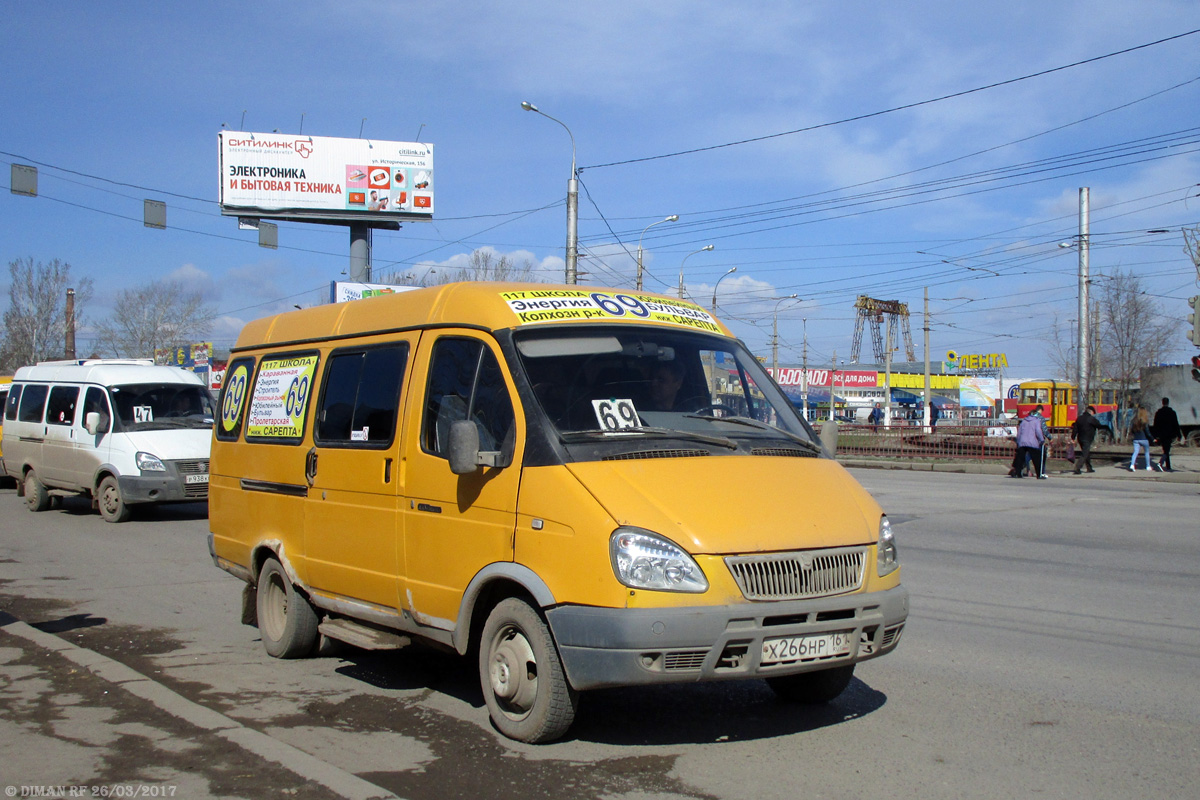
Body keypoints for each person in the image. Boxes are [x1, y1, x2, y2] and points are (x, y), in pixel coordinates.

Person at [1009, 405, 1047, 478]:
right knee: (1036, 459)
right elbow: (1038, 431)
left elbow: (1019, 432)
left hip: (1022, 442)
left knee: (1020, 458)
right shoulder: (1036, 421)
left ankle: (1018, 473)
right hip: (1032, 443)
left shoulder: (1024, 421)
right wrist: (1041, 440)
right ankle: (1039, 474)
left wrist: (1018, 441)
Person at [1071, 404, 1105, 474]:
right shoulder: (1091, 419)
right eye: (1093, 413)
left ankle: (1089, 468)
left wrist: (1073, 438)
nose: (1093, 414)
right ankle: (1077, 468)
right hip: (1087, 438)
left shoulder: (1079, 418)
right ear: (1091, 412)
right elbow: (1098, 425)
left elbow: (1075, 429)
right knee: (1085, 453)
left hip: (1080, 438)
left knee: (1086, 452)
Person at [1152, 397, 1182, 472]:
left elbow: (1155, 425)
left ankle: (1167, 465)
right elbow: (1175, 424)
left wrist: (1155, 435)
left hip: (1161, 434)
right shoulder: (1172, 412)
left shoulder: (1158, 413)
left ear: (1162, 403)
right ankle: (1162, 464)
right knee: (1167, 450)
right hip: (1169, 434)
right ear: (1168, 403)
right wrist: (1179, 435)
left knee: (1165, 450)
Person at [1128, 407, 1154, 471]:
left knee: (1135, 452)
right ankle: (1148, 466)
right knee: (1147, 452)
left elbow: (1132, 431)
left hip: (1136, 439)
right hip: (1144, 439)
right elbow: (1147, 432)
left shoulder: (1134, 421)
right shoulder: (1145, 422)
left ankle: (1132, 465)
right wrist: (1152, 439)